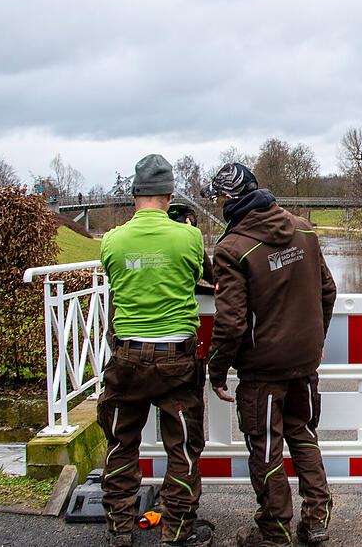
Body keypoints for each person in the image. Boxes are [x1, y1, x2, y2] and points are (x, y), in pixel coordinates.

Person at [206, 163, 336, 547]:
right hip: (304, 361)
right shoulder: (304, 229)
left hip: (262, 371)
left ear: (227, 198)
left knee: (265, 447)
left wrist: (216, 370)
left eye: (218, 198)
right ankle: (317, 519)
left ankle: (274, 530)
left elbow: (231, 323)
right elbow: (327, 291)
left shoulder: (231, 249)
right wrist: (316, 340)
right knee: (303, 432)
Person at [98, 154, 213, 547]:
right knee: (182, 447)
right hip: (176, 359)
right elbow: (201, 275)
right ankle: (177, 530)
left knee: (121, 443)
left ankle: (118, 529)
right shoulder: (189, 238)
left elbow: (117, 280)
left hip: (127, 359)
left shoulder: (112, 240)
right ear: (169, 195)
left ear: (135, 195)